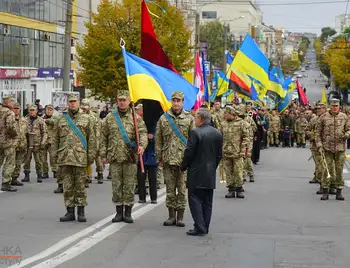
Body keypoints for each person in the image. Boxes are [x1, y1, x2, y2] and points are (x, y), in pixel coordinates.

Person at [100, 90, 147, 224]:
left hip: (130, 157)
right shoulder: (110, 118)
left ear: (129, 101)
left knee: (129, 186)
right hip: (114, 156)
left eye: (124, 100)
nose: (121, 102)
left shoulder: (136, 118)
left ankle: (128, 212)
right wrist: (104, 154)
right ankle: (118, 212)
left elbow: (143, 133)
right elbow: (103, 136)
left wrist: (142, 146)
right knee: (116, 186)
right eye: (119, 100)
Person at [54, 93, 96, 222]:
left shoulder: (86, 118)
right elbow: (56, 139)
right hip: (65, 157)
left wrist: (91, 156)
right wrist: (55, 154)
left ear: (78, 102)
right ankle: (70, 211)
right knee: (67, 186)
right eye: (70, 101)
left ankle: (81, 211)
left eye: (75, 101)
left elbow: (92, 139)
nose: (72, 104)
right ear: (68, 103)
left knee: (80, 186)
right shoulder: (61, 119)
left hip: (80, 157)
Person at [180, 108, 222, 236]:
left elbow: (189, 152)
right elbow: (219, 155)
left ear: (200, 119)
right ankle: (205, 226)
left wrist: (183, 166)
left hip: (196, 171)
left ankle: (199, 226)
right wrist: (213, 167)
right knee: (207, 202)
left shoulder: (195, 132)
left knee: (195, 200)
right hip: (210, 171)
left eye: (196, 118)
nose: (194, 120)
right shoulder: (217, 133)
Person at [156, 91, 194, 227]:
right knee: (170, 189)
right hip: (168, 159)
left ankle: (180, 216)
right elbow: (158, 139)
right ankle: (171, 216)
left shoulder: (189, 118)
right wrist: (159, 157)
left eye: (179, 101)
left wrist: (192, 158)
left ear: (183, 102)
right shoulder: (164, 118)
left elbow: (193, 140)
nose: (176, 103)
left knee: (182, 189)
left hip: (183, 160)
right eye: (174, 100)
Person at [315, 98, 350, 201]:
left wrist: (347, 135)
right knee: (326, 170)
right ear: (329, 106)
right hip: (327, 148)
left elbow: (348, 129)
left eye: (336, 106)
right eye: (333, 106)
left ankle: (339, 191)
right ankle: (325, 191)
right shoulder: (323, 117)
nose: (335, 108)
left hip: (340, 148)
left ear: (339, 106)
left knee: (339, 171)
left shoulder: (344, 117)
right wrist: (319, 145)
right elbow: (317, 133)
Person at [221, 105, 249, 198]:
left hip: (237, 152)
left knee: (238, 171)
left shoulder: (241, 123)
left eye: (226, 113)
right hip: (226, 152)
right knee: (228, 171)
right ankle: (231, 189)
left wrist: (243, 150)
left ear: (231, 113)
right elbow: (219, 137)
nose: (224, 115)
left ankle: (239, 188)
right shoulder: (223, 124)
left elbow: (246, 137)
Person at [23, 104, 48, 183]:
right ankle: (26, 175)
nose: (32, 112)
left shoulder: (40, 120)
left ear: (36, 111)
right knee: (27, 161)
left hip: (37, 144)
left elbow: (45, 132)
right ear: (28, 111)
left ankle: (39, 175)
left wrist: (43, 142)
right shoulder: (25, 120)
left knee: (38, 161)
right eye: (30, 110)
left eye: (33, 110)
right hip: (27, 144)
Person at [0, 96, 18, 192]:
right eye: (11, 101)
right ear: (7, 102)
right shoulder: (9, 112)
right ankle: (6, 183)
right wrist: (15, 134)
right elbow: (10, 126)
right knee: (10, 162)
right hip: (8, 141)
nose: (13, 103)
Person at [11, 103, 26, 187]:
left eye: (18, 108)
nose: (16, 110)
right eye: (15, 108)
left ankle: (15, 178)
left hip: (21, 145)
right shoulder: (10, 119)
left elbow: (26, 132)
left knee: (18, 163)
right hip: (12, 145)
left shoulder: (24, 120)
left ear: (20, 109)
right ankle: (7, 179)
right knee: (10, 163)